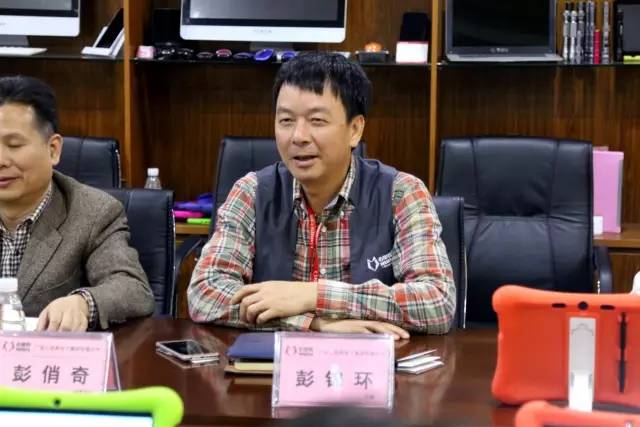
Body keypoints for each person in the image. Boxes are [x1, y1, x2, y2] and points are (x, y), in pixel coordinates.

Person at [188, 52, 455, 337]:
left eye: (316, 120)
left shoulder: (400, 193)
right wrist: (314, 323)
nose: (298, 136)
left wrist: (314, 295)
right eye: (286, 120)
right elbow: (205, 292)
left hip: (371, 362)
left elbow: (437, 301)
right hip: (273, 362)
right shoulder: (252, 193)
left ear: (355, 130)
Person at [0, 75, 155, 332]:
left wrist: (82, 303)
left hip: (47, 354)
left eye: (14, 145)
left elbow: (133, 289)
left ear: (53, 150)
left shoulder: (93, 213)